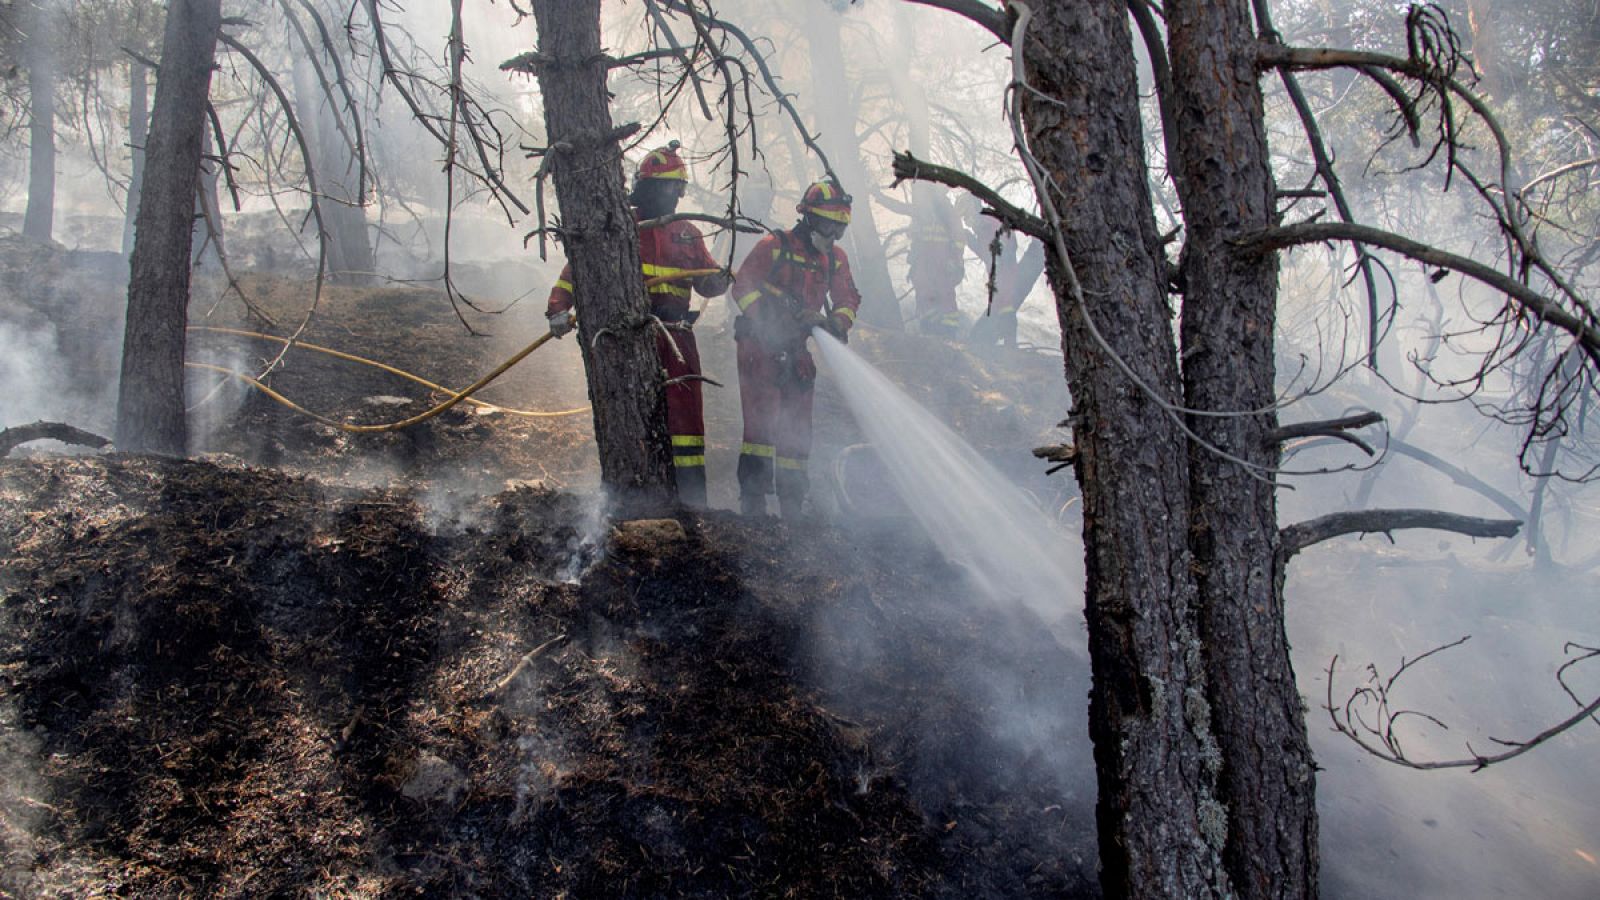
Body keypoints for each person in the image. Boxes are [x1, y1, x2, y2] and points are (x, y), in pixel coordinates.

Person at [545, 142, 731, 507]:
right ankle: (634, 501)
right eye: (666, 187)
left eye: (677, 189)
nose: (674, 196)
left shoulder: (688, 232)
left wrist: (721, 279)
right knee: (634, 415)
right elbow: (577, 272)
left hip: (677, 337)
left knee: (686, 421)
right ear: (646, 187)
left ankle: (693, 503)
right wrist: (558, 308)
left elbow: (706, 281)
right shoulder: (622, 225)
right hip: (632, 336)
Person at [730, 179, 862, 518]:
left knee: (798, 428)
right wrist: (767, 321)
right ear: (810, 218)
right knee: (760, 425)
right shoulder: (775, 246)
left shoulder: (833, 258)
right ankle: (753, 504)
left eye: (839, 228)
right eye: (828, 225)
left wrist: (837, 322)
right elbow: (743, 285)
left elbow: (847, 298)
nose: (832, 235)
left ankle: (792, 504)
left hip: (796, 348)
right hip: (759, 346)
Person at [962, 200, 1046, 351]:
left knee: (1005, 306)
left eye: (967, 216)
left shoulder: (989, 223)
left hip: (1004, 271)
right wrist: (972, 242)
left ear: (973, 211)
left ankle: (1010, 346)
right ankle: (1007, 344)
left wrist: (1001, 257)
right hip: (999, 272)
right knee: (1002, 306)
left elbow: (1004, 243)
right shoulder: (984, 227)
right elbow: (987, 253)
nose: (967, 222)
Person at [907, 188, 968, 337]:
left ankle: (949, 331)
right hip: (927, 260)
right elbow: (914, 234)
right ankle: (929, 327)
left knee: (945, 293)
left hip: (943, 261)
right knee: (924, 290)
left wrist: (954, 259)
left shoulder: (945, 208)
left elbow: (958, 236)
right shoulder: (923, 210)